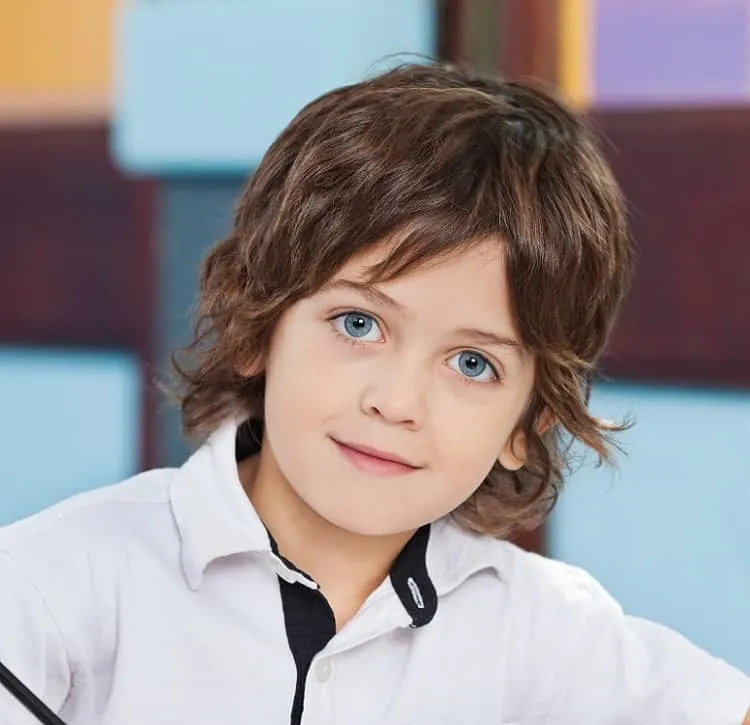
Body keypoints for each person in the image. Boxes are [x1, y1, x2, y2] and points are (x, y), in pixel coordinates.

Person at [1, 62, 748, 725]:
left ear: (529, 419)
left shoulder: (541, 626)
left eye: (472, 364)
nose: (398, 401)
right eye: (358, 323)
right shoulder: (64, 580)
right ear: (262, 321)